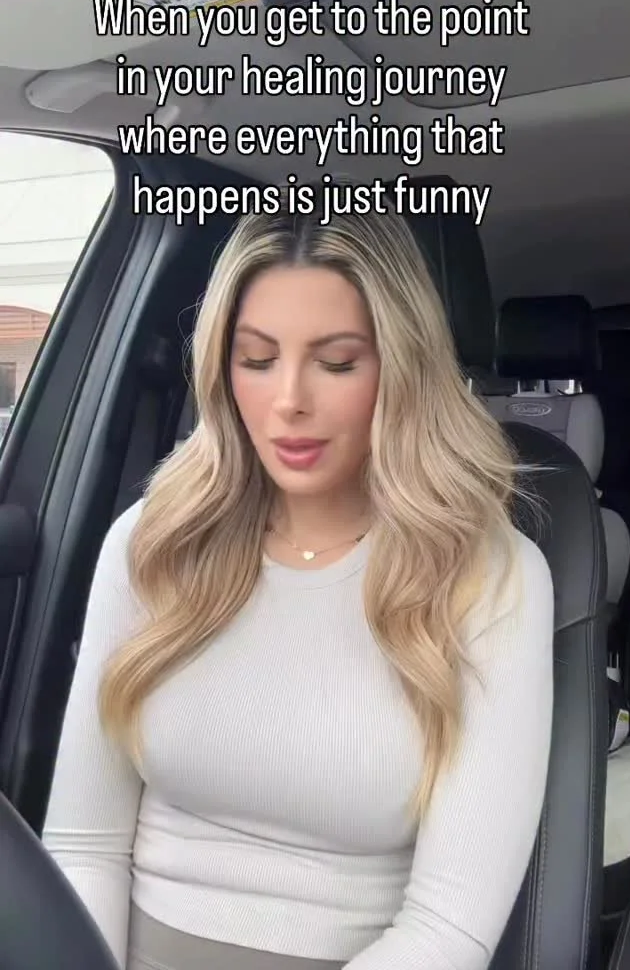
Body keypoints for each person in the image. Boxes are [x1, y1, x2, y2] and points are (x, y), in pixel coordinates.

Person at [42, 199, 554, 970]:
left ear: (404, 368)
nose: (288, 401)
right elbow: (84, 845)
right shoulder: (154, 540)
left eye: (337, 363)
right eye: (255, 359)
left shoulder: (490, 578)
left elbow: (450, 927)